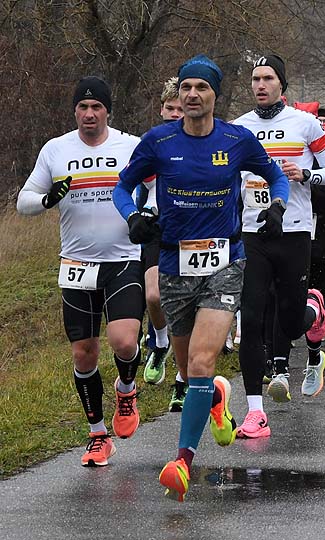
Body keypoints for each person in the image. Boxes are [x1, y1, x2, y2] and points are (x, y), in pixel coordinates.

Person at [113, 54, 290, 501]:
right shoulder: (158, 140)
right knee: (190, 364)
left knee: (200, 363)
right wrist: (133, 216)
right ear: (179, 95)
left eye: (201, 88)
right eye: (186, 88)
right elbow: (122, 186)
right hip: (174, 266)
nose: (192, 95)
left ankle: (183, 461)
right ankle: (213, 399)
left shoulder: (235, 139)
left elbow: (273, 174)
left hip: (226, 262)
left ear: (215, 96)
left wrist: (276, 207)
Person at [17, 76, 148, 466]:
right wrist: (46, 198)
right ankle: (97, 435)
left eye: (96, 108)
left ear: (108, 111)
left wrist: (147, 213)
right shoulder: (55, 150)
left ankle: (127, 388)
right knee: (83, 352)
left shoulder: (130, 146)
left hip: (123, 257)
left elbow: (158, 185)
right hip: (76, 264)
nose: (89, 114)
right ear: (74, 111)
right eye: (82, 108)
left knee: (124, 341)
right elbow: (24, 200)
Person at [232, 55, 325, 430]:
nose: (260, 85)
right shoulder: (238, 127)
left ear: (282, 84)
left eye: (268, 78)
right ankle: (254, 411)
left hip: (295, 229)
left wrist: (306, 174)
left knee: (291, 318)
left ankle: (315, 313)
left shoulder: (305, 123)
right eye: (255, 79)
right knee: (252, 312)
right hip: (254, 231)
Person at [138, 77, 189, 414]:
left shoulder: (204, 139)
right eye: (169, 108)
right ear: (161, 109)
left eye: (180, 108)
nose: (174, 113)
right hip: (158, 227)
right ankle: (159, 342)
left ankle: (184, 383)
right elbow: (129, 181)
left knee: (189, 311)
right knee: (153, 295)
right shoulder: (152, 142)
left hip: (196, 228)